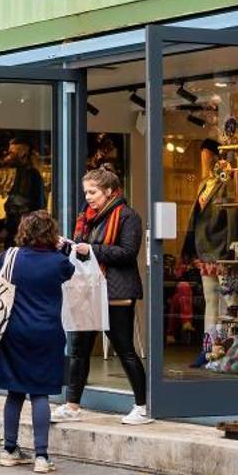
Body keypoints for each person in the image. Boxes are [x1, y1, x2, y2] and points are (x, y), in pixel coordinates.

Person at [56, 168, 150, 424]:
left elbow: (128, 253)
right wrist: (68, 247)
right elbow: (81, 253)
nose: (88, 196)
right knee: (79, 350)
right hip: (88, 290)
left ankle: (143, 406)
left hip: (115, 292)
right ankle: (72, 405)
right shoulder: (86, 219)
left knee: (124, 349)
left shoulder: (128, 216)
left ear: (109, 191)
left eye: (93, 191)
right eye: (86, 191)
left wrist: (92, 249)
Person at [0, 210, 71, 474]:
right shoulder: (57, 262)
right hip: (47, 332)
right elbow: (70, 270)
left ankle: (9, 450)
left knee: (15, 392)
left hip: (13, 332)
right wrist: (63, 247)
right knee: (40, 393)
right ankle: (41, 456)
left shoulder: (9, 257)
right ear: (51, 233)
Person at [183, 138, 235, 370]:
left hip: (221, 251)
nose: (204, 159)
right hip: (205, 250)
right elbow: (196, 219)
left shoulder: (227, 182)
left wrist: (230, 248)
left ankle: (230, 349)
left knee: (230, 302)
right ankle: (208, 350)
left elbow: (232, 216)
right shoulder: (205, 184)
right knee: (211, 302)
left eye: (207, 154)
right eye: (203, 154)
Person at [1, 137, 47, 247]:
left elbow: (37, 205)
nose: (8, 155)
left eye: (12, 152)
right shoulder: (21, 173)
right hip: (18, 234)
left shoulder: (32, 175)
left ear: (22, 154)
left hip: (24, 236)